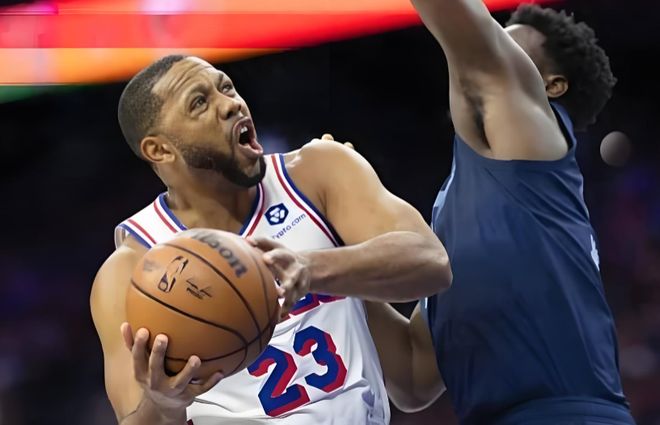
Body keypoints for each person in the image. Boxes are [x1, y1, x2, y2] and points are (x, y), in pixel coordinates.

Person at [89, 54, 452, 425]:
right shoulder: (132, 269)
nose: (230, 104)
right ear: (160, 149)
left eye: (227, 88)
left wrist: (311, 267)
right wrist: (166, 405)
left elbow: (432, 263)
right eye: (199, 103)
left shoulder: (315, 174)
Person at [337, 3, 634, 425]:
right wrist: (336, 233)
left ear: (551, 87)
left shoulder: (534, 142)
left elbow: (458, 20)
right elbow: (413, 374)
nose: (485, 48)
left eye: (510, 47)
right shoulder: (463, 209)